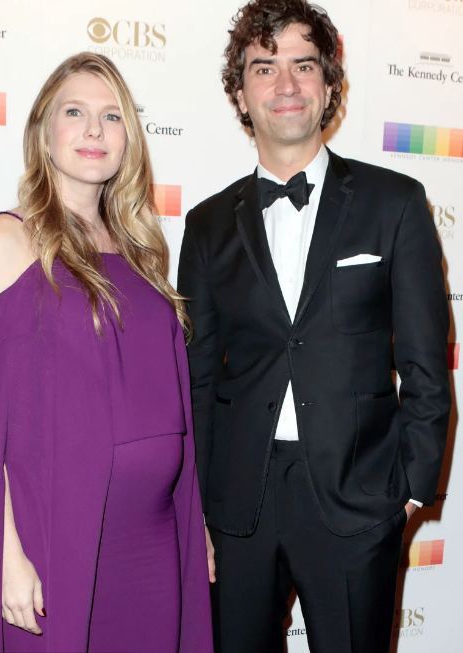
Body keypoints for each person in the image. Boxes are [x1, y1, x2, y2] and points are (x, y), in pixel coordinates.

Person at [177, 1, 450, 652]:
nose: (286, 84)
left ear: (329, 85)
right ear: (239, 94)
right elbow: (194, 376)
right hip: (238, 503)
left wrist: (407, 495)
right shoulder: (207, 224)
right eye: (263, 68)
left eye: (303, 65)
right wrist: (197, 508)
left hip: (356, 499)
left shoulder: (395, 202)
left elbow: (424, 365)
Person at [0, 52, 213, 653]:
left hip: (154, 536)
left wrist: (192, 522)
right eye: (75, 112)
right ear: (44, 135)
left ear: (129, 141)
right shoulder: (5, 241)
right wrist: (5, 554)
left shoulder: (143, 250)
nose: (94, 130)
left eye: (112, 116)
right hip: (60, 534)